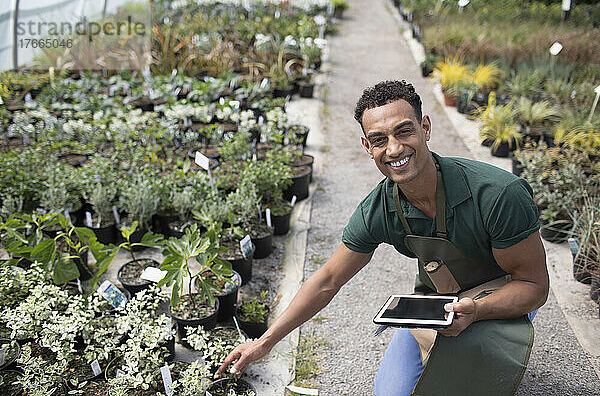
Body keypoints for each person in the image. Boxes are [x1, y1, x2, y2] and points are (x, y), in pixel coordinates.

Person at [219, 80, 549, 395]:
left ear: (426, 128)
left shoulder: (498, 194)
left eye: (404, 131)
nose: (393, 149)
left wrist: (476, 310)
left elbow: (533, 287)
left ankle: (498, 344)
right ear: (367, 147)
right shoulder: (380, 208)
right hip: (437, 302)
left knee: (465, 376)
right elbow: (328, 279)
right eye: (379, 139)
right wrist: (264, 342)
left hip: (501, 292)